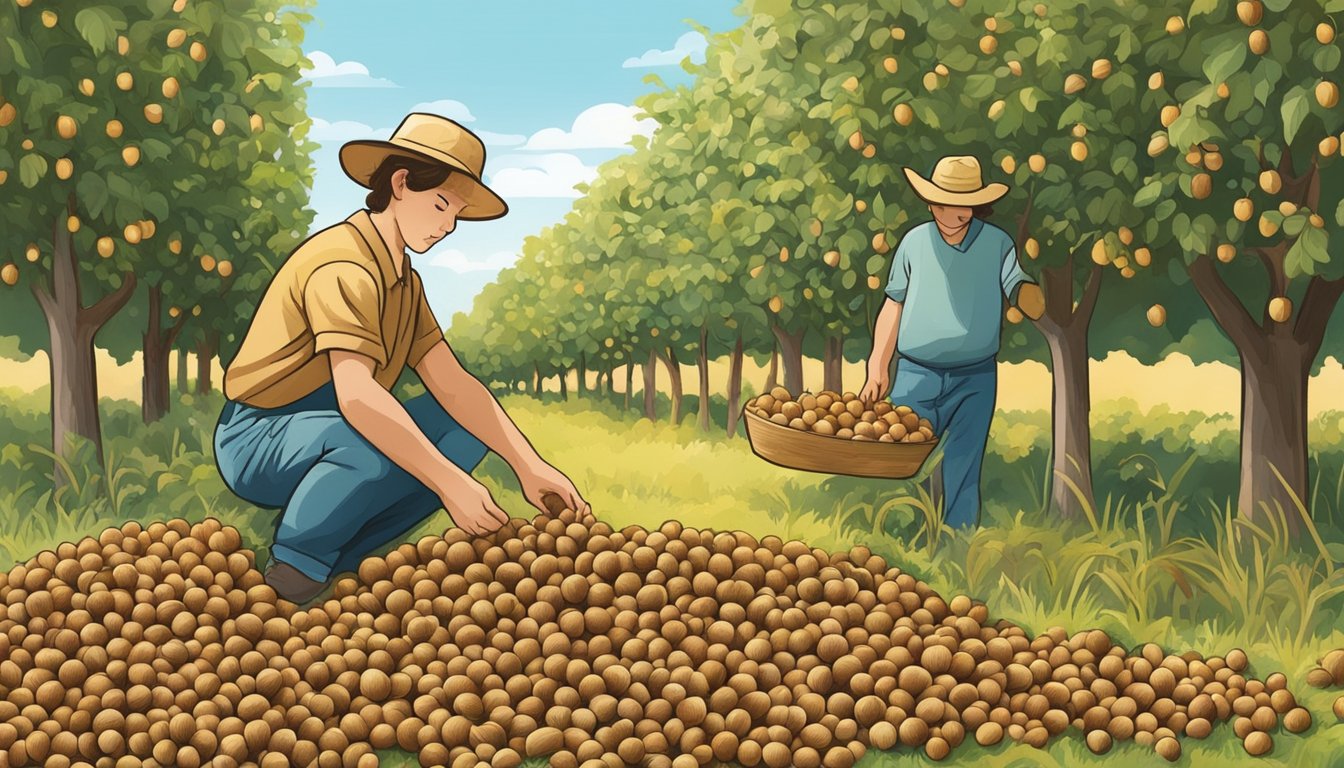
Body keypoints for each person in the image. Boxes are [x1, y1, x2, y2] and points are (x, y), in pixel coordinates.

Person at [214, 113, 589, 603]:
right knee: (365, 447)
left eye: (455, 214)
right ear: (400, 183)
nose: (448, 226)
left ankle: (346, 562)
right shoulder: (344, 264)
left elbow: (452, 382)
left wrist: (528, 465)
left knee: (462, 432)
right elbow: (358, 397)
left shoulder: (403, 281)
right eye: (440, 205)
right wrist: (451, 484)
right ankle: (291, 577)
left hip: (329, 423)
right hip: (260, 433)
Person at [860, 155, 1044, 528]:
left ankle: (958, 546)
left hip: (974, 378)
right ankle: (906, 540)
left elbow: (1015, 283)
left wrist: (1027, 294)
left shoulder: (997, 244)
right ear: (931, 202)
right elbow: (893, 303)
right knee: (907, 460)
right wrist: (878, 364)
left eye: (960, 205)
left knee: (963, 465)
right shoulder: (914, 242)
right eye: (941, 202)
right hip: (916, 374)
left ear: (975, 205)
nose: (950, 213)